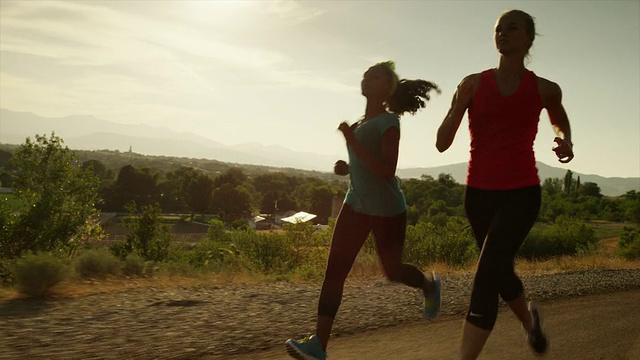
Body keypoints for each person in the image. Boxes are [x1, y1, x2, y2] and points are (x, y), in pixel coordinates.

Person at [436, 9, 574, 359]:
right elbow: (441, 141)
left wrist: (565, 140)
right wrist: (458, 107)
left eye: (512, 28)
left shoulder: (545, 89)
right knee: (498, 270)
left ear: (529, 38)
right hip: (478, 194)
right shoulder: (472, 83)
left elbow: (559, 122)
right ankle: (531, 324)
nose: (503, 33)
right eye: (499, 29)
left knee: (486, 275)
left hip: (521, 193)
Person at [285, 61, 442, 360]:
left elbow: (386, 170)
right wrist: (347, 167)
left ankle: (429, 286)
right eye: (366, 74)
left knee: (393, 271)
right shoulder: (359, 124)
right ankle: (318, 345)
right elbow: (365, 164)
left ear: (387, 87)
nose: (366, 78)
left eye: (375, 75)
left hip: (387, 210)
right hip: (355, 204)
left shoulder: (389, 123)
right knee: (334, 272)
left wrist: (351, 143)